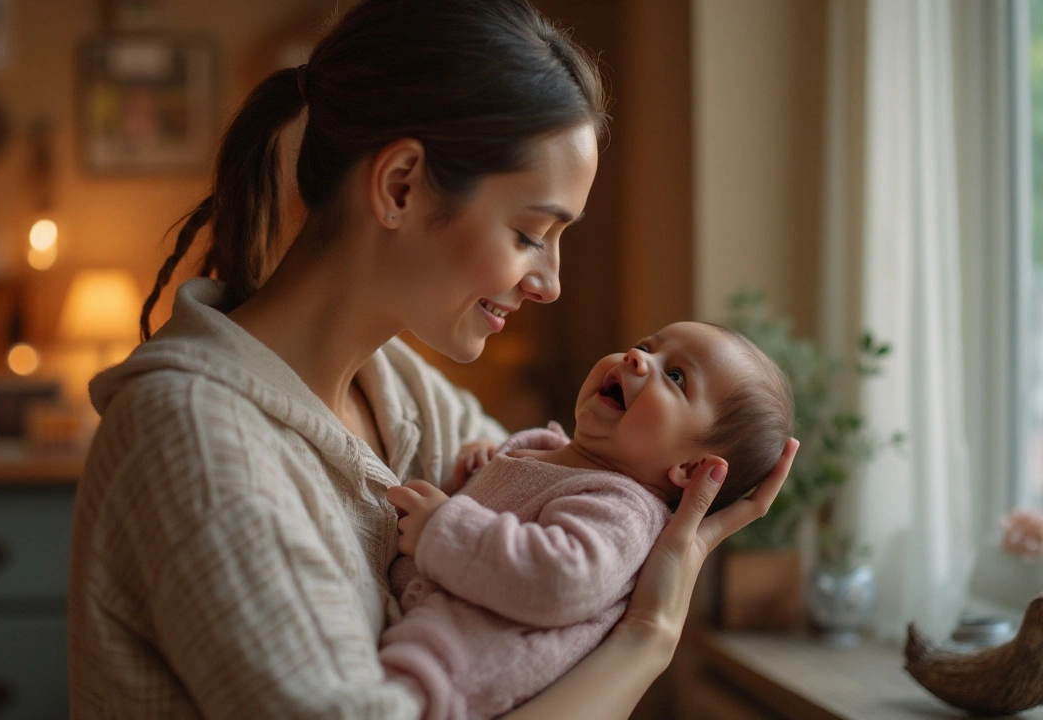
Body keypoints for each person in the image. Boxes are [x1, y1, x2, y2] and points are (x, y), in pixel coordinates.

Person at [67, 0, 800, 717]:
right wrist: (646, 641)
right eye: (529, 233)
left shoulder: (409, 397)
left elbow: (572, 515)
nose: (549, 284)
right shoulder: (195, 435)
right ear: (400, 186)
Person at [380, 322, 794, 720]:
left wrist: (444, 528)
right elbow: (514, 502)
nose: (636, 357)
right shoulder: (545, 448)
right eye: (648, 346)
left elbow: (559, 579)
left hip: (446, 679)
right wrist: (482, 466)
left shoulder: (624, 508)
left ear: (691, 467)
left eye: (676, 377)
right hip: (411, 634)